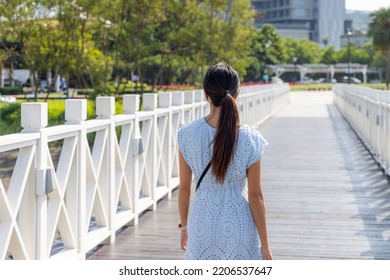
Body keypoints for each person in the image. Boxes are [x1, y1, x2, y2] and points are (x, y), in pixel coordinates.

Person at [177, 62, 273, 260]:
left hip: (201, 223)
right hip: (239, 225)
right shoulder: (250, 138)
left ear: (206, 93)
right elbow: (256, 197)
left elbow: (184, 189)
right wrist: (265, 246)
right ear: (237, 95)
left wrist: (184, 226)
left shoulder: (186, 134)